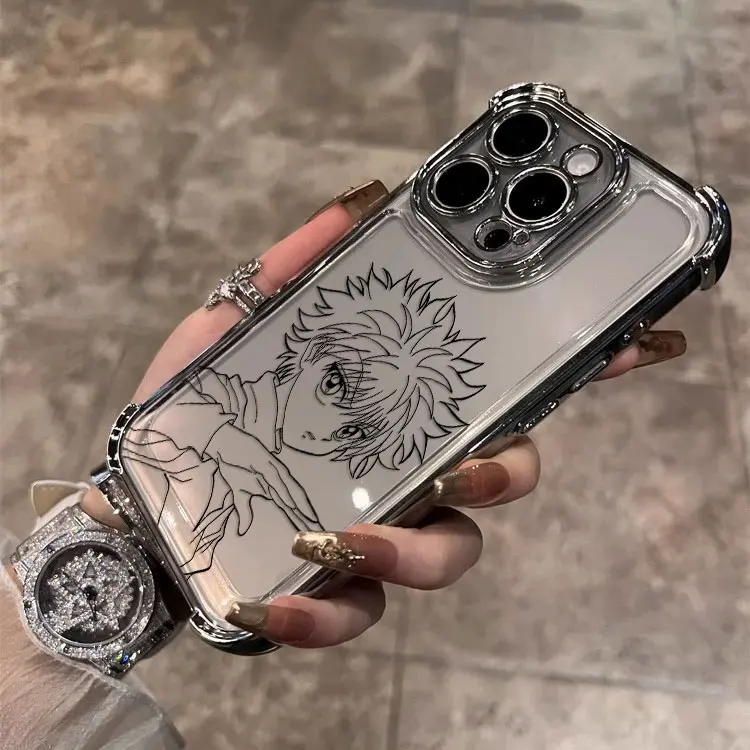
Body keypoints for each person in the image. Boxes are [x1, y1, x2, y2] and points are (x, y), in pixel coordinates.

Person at [0, 182, 685, 749]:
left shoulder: (285, 491)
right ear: (306, 349)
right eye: (334, 381)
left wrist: (116, 554)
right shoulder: (207, 412)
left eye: (361, 429)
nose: (321, 428)